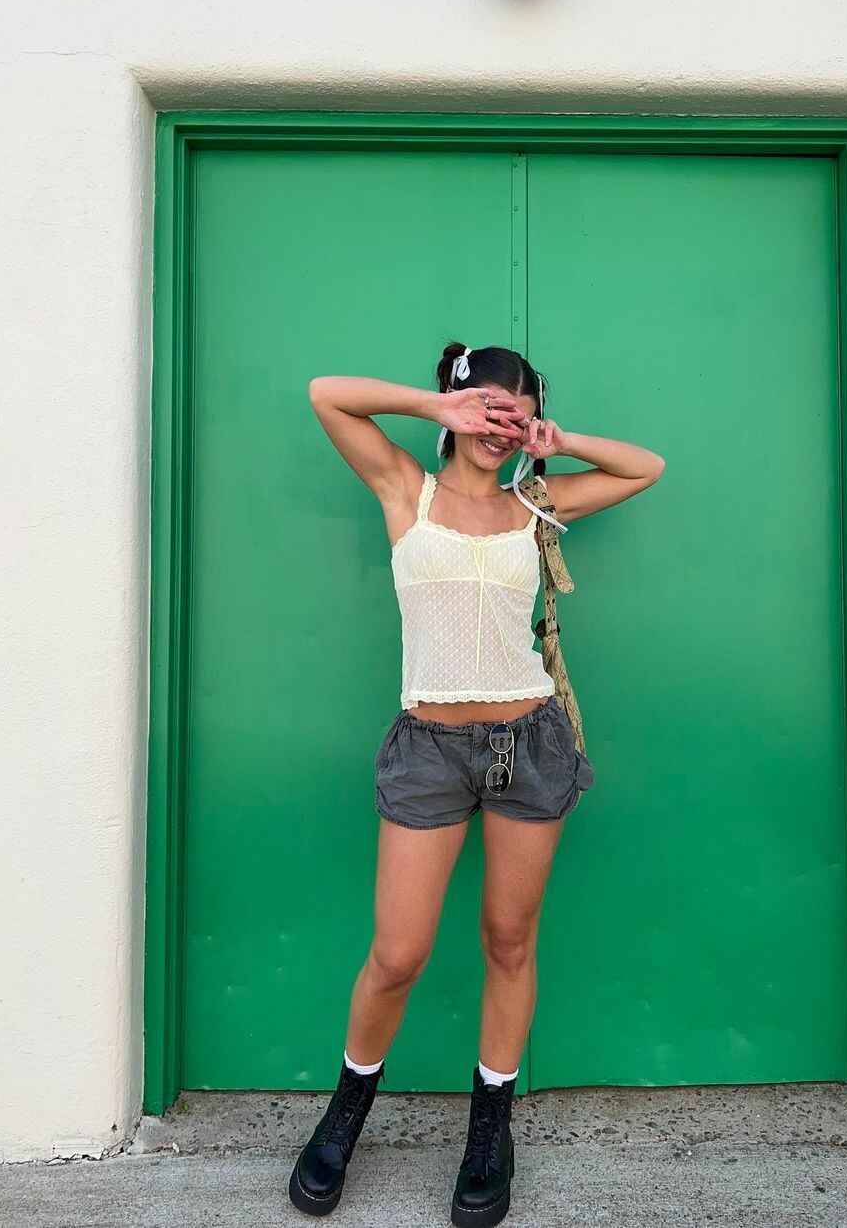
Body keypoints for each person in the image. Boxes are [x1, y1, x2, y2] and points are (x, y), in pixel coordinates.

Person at [289, 342, 665, 1225]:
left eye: (514, 413)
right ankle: (346, 1112)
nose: (498, 426)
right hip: (428, 747)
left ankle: (490, 1128)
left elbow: (643, 467)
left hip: (529, 742)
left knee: (509, 940)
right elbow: (327, 394)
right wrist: (435, 407)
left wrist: (557, 440)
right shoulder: (403, 490)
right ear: (460, 407)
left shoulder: (535, 504)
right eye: (486, 408)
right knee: (398, 956)